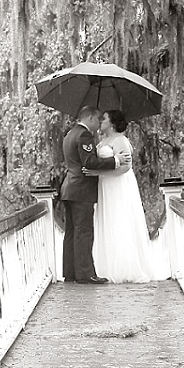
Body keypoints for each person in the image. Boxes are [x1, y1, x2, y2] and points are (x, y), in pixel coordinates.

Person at [84, 110, 170, 283]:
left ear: (113, 123)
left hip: (118, 185)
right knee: (108, 221)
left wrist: (97, 173)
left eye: (105, 118)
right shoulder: (103, 141)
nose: (101, 121)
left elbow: (125, 168)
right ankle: (107, 266)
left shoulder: (121, 140)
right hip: (105, 186)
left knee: (120, 221)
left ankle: (126, 267)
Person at [59, 106, 131, 284]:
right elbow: (89, 162)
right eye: (97, 119)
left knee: (72, 232)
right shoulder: (84, 135)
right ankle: (85, 274)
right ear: (89, 118)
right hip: (81, 189)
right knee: (83, 232)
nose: (98, 123)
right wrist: (115, 160)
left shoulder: (70, 134)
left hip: (70, 188)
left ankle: (70, 272)